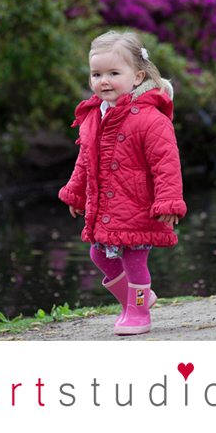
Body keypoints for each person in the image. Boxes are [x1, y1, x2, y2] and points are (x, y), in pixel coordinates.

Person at [59, 31, 186, 336]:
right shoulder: (94, 115)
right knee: (98, 253)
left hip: (138, 205)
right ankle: (134, 301)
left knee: (133, 259)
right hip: (106, 205)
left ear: (137, 76)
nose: (104, 81)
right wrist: (76, 194)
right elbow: (85, 159)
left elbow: (166, 164)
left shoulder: (150, 118)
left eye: (113, 73)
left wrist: (168, 202)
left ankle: (139, 311)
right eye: (96, 74)